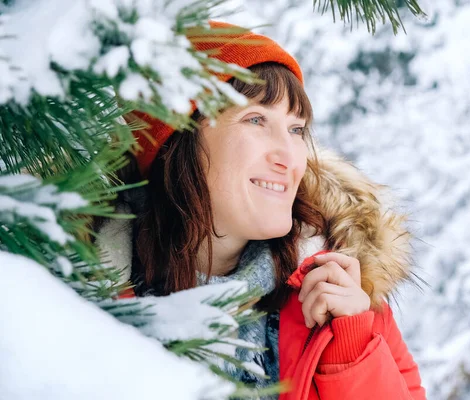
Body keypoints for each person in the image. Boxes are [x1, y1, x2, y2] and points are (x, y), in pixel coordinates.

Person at [96, 20, 426, 400]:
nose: (289, 157)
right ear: (175, 144)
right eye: (256, 120)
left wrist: (350, 350)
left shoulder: (345, 291)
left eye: (297, 129)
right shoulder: (76, 298)